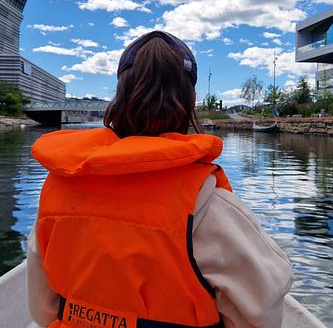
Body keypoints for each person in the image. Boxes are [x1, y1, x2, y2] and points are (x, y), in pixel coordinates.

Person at [27, 30, 292, 328]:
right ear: (190, 100)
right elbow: (261, 316)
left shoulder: (57, 188)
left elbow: (43, 311)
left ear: (120, 96)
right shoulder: (209, 205)